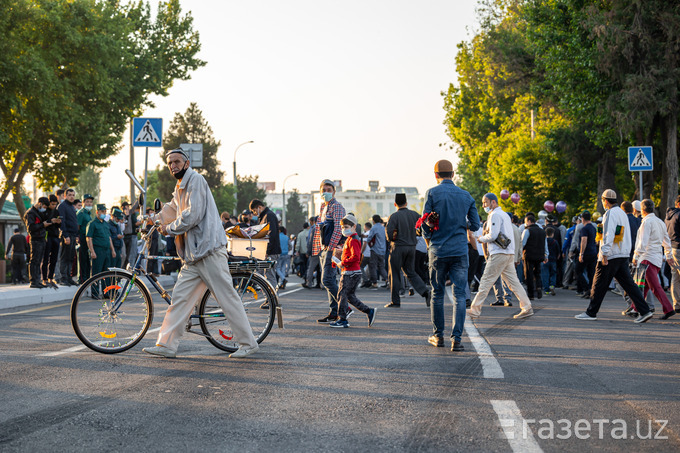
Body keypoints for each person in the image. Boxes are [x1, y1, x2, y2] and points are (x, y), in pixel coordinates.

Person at [143, 147, 258, 358]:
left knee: (227, 298)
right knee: (179, 300)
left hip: (209, 251)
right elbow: (172, 208)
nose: (173, 166)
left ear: (186, 163)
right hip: (193, 256)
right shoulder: (181, 186)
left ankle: (248, 343)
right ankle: (167, 345)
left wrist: (168, 228)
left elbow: (191, 214)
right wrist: (155, 219)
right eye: (170, 163)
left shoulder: (196, 181)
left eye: (177, 161)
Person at [421, 160, 480, 352]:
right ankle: (457, 339)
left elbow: (424, 224)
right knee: (460, 295)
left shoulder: (432, 193)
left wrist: (430, 237)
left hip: (438, 250)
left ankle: (438, 336)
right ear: (453, 174)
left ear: (436, 175)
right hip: (459, 250)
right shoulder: (466, 195)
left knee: (437, 293)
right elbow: (475, 225)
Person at [575, 189, 653, 323]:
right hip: (622, 253)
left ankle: (591, 312)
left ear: (605, 200)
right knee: (629, 285)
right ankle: (645, 310)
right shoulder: (622, 213)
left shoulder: (610, 213)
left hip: (611, 254)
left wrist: (604, 254)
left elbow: (608, 234)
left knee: (598, 284)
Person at [468, 193, 533, 320]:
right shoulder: (504, 215)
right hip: (508, 253)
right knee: (514, 283)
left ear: (493, 202)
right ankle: (527, 307)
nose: (483, 205)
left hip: (498, 253)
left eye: (485, 202)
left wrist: (480, 239)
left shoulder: (495, 215)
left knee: (485, 281)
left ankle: (475, 310)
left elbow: (493, 235)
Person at [328, 214, 377, 328]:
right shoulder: (351, 239)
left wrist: (342, 263)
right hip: (352, 272)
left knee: (342, 295)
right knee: (349, 297)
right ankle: (369, 311)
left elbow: (356, 256)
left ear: (354, 226)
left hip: (350, 272)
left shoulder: (353, 240)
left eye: (346, 227)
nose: (343, 229)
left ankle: (342, 319)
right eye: (342, 227)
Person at [630, 199, 676, 320]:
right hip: (656, 258)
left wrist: (636, 256)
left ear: (642, 210)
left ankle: (668, 308)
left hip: (647, 257)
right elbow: (666, 240)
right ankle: (635, 307)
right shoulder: (660, 222)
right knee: (644, 286)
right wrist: (669, 255)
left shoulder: (646, 222)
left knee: (654, 286)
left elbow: (642, 242)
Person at [385, 193, 431, 308]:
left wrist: (393, 238)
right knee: (411, 272)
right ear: (406, 203)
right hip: (412, 247)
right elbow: (421, 229)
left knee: (394, 273)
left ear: (395, 204)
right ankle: (425, 292)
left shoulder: (394, 216)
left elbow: (390, 235)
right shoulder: (415, 215)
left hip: (398, 247)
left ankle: (395, 301)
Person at [313, 179, 346, 323]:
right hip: (324, 248)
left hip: (332, 248)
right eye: (323, 190)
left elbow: (339, 229)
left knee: (326, 279)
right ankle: (333, 312)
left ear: (334, 192)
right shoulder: (323, 207)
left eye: (329, 190)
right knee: (330, 280)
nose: (326, 192)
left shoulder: (337, 207)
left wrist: (331, 248)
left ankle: (344, 307)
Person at [249, 199, 281, 289]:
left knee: (269, 275)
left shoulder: (268, 216)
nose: (254, 213)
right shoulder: (264, 216)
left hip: (270, 251)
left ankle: (272, 299)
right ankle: (270, 299)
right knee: (267, 275)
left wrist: (267, 251)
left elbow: (271, 234)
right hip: (268, 250)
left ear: (259, 207)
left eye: (254, 211)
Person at [86, 204, 116, 295]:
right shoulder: (92, 224)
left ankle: (106, 292)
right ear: (97, 212)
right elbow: (89, 238)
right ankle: (94, 293)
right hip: (98, 250)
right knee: (96, 273)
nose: (104, 213)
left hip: (106, 250)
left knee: (106, 273)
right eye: (102, 211)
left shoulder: (105, 224)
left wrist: (113, 250)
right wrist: (92, 251)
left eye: (104, 212)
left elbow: (109, 238)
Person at [24, 197, 51, 288]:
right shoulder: (31, 213)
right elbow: (30, 228)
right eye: (44, 206)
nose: (45, 208)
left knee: (39, 260)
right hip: (35, 239)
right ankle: (33, 281)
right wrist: (42, 225)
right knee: (34, 260)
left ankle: (37, 280)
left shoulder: (38, 212)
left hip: (41, 239)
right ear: (39, 203)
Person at [521, 213, 547, 300]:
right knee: (538, 273)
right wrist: (546, 255)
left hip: (529, 255)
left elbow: (522, 244)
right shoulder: (542, 231)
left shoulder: (527, 231)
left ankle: (531, 294)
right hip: (540, 255)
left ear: (529, 221)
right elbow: (545, 244)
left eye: (525, 222)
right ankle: (538, 287)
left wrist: (519, 254)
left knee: (529, 274)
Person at [57, 188, 79, 286]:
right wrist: (65, 236)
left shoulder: (72, 207)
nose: (72, 197)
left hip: (73, 236)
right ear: (65, 196)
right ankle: (63, 278)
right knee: (64, 257)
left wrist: (77, 235)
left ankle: (69, 277)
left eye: (73, 195)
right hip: (67, 236)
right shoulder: (62, 206)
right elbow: (62, 223)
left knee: (71, 257)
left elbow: (74, 222)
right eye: (70, 195)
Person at [574, 211, 597, 298]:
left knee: (578, 270)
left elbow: (584, 240)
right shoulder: (593, 228)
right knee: (591, 272)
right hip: (593, 252)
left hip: (586, 253)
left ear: (582, 219)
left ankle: (586, 288)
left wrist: (581, 253)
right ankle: (592, 290)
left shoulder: (584, 229)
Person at [41, 194, 61, 287]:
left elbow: (58, 226)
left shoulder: (56, 211)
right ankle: (44, 279)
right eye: (52, 204)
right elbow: (43, 223)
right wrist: (51, 221)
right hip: (47, 236)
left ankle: (50, 278)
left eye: (55, 204)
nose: (54, 206)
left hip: (55, 236)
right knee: (45, 259)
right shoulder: (44, 211)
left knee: (54, 259)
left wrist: (58, 222)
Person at [665, 195, 680, 313]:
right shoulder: (679, 215)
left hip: (672, 248)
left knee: (675, 277)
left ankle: (677, 304)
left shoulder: (668, 217)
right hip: (679, 247)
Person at [366, 214, 388, 288]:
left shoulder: (374, 228)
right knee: (381, 266)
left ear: (373, 220)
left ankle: (374, 283)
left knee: (373, 266)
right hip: (383, 250)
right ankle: (387, 279)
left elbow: (369, 238)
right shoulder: (383, 228)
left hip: (375, 249)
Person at [76, 194, 95, 284]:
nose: (89, 203)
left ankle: (87, 278)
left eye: (90, 202)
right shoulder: (81, 213)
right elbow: (77, 226)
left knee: (87, 260)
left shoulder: (88, 214)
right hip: (82, 237)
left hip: (88, 237)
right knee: (83, 259)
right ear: (83, 202)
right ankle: (82, 279)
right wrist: (78, 237)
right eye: (87, 201)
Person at [122, 200, 140, 269]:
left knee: (129, 254)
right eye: (127, 206)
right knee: (124, 254)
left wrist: (140, 197)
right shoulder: (121, 215)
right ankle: (122, 268)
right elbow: (124, 225)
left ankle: (128, 268)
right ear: (123, 207)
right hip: (124, 236)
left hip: (130, 236)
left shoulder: (130, 212)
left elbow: (135, 206)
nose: (128, 207)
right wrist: (125, 216)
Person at [543, 227, 560, 295]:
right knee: (553, 273)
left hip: (545, 259)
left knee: (545, 274)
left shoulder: (544, 241)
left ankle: (546, 290)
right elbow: (558, 251)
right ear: (552, 234)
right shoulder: (555, 242)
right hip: (553, 260)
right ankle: (552, 285)